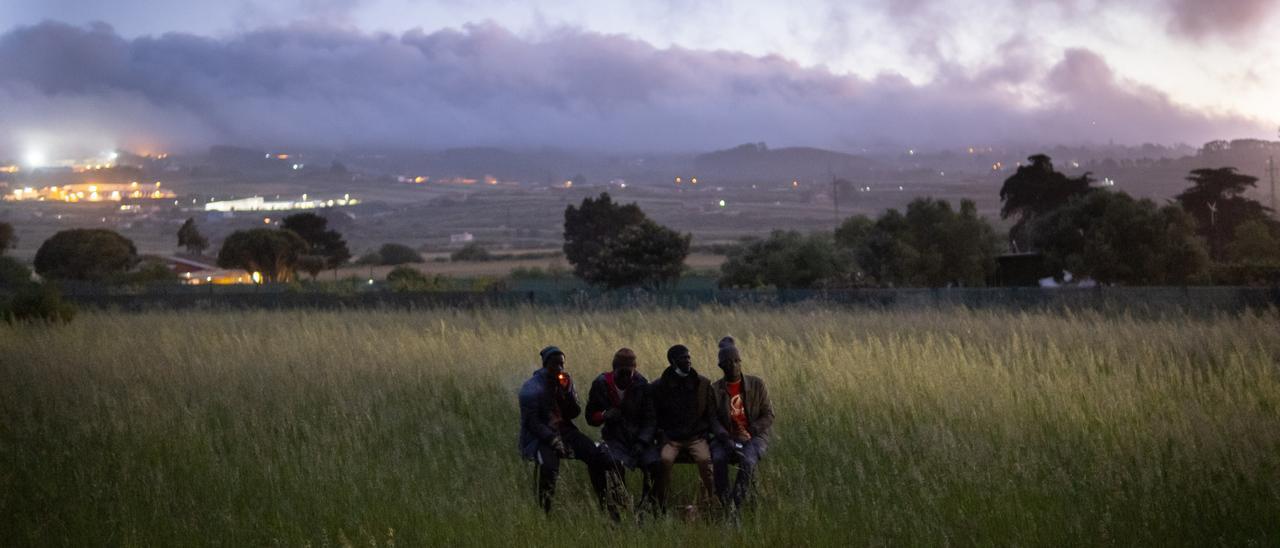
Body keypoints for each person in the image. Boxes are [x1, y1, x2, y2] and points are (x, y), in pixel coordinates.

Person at [518, 346, 610, 513]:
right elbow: (532, 422)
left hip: (565, 431)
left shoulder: (565, 381)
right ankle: (544, 512)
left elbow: (574, 413)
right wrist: (552, 440)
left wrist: (567, 392)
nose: (559, 368)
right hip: (541, 437)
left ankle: (605, 505)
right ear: (546, 365)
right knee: (549, 467)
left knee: (595, 455)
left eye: (562, 364)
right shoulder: (531, 386)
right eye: (555, 364)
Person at [645, 344, 726, 513]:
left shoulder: (702, 384)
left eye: (689, 357)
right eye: (683, 358)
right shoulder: (659, 386)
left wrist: (721, 433)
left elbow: (711, 415)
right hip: (671, 438)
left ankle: (710, 503)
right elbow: (653, 417)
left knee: (705, 461)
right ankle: (660, 504)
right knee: (665, 461)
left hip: (696, 437)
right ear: (673, 361)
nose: (688, 361)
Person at [585, 348, 656, 508]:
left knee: (655, 464)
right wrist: (604, 415)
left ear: (634, 370)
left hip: (639, 439)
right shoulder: (601, 384)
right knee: (612, 462)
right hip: (614, 438)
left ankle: (647, 505)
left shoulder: (642, 385)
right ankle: (621, 505)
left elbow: (650, 420)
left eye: (628, 373)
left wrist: (642, 442)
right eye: (621, 373)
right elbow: (590, 416)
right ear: (614, 369)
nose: (624, 378)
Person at [711, 341, 775, 509]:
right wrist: (725, 437)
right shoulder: (715, 389)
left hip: (754, 436)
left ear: (741, 361)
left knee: (747, 460)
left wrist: (750, 430)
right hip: (726, 436)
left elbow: (769, 415)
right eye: (727, 362)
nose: (732, 365)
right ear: (720, 366)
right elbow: (713, 420)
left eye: (736, 361)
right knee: (718, 458)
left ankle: (736, 504)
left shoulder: (757, 384)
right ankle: (726, 504)